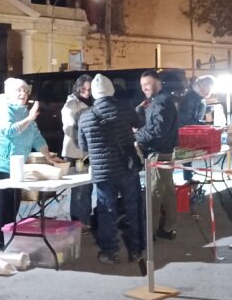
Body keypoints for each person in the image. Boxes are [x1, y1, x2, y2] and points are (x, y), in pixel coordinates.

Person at [0, 78, 61, 250]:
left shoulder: (23, 110)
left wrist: (48, 156)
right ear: (8, 93)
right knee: (1, 207)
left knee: (13, 205)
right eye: (19, 90)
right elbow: (9, 130)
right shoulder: (2, 108)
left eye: (25, 90)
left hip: (14, 167)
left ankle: (9, 241)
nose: (23, 93)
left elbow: (35, 135)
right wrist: (29, 118)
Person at [78, 74, 146, 270]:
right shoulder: (124, 108)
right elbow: (139, 123)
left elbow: (83, 146)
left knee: (107, 211)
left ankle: (110, 252)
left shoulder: (85, 116)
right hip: (127, 167)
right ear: (111, 90)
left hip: (103, 172)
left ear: (94, 93)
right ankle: (136, 250)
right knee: (132, 208)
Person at [135, 70, 179, 240]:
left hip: (158, 153)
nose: (144, 88)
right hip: (164, 152)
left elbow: (157, 131)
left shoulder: (161, 103)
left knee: (154, 194)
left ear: (158, 83)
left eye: (148, 84)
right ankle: (168, 228)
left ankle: (149, 233)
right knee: (167, 192)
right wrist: (140, 109)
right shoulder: (156, 102)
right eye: (142, 85)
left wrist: (136, 134)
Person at [61, 74, 94, 228]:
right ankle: (78, 222)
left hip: (89, 152)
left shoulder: (93, 103)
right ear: (77, 88)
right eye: (83, 89)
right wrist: (84, 142)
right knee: (79, 189)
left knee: (88, 186)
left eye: (89, 89)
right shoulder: (71, 104)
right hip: (76, 152)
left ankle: (85, 220)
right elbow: (68, 128)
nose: (86, 92)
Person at [177, 75, 216, 183]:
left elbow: (196, 112)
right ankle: (188, 180)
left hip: (190, 130)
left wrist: (208, 110)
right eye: (210, 87)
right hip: (185, 131)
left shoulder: (198, 96)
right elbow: (186, 118)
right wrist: (205, 126)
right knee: (186, 156)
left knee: (188, 157)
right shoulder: (192, 97)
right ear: (204, 86)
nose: (211, 90)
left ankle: (189, 179)